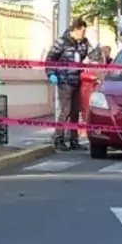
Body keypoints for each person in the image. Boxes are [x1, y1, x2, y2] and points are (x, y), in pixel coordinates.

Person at [45, 18, 91, 151]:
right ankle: (58, 139)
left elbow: (91, 55)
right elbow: (50, 59)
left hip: (77, 80)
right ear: (75, 30)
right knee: (66, 110)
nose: (84, 33)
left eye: (85, 31)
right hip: (64, 80)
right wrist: (51, 74)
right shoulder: (61, 42)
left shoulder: (84, 43)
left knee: (75, 112)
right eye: (82, 31)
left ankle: (73, 140)